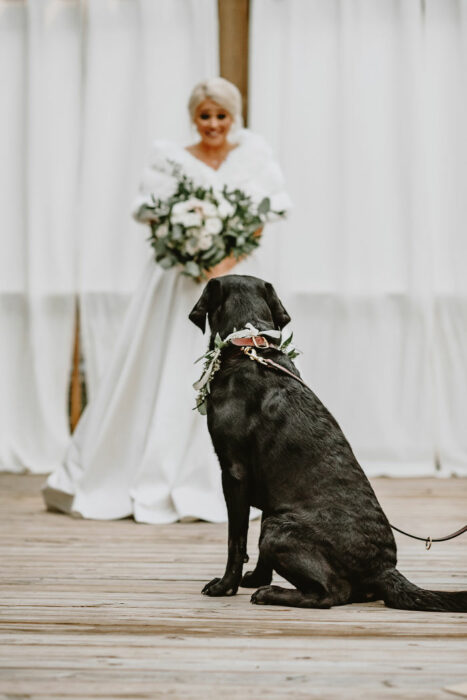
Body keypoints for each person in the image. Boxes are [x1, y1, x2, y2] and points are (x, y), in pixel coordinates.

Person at [43, 78, 291, 523]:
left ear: (233, 117)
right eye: (204, 115)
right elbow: (155, 216)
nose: (213, 124)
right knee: (168, 366)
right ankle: (150, 463)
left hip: (236, 279)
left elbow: (262, 218)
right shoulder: (170, 162)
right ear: (194, 117)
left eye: (221, 115)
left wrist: (226, 265)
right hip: (180, 282)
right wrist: (192, 253)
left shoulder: (254, 158)